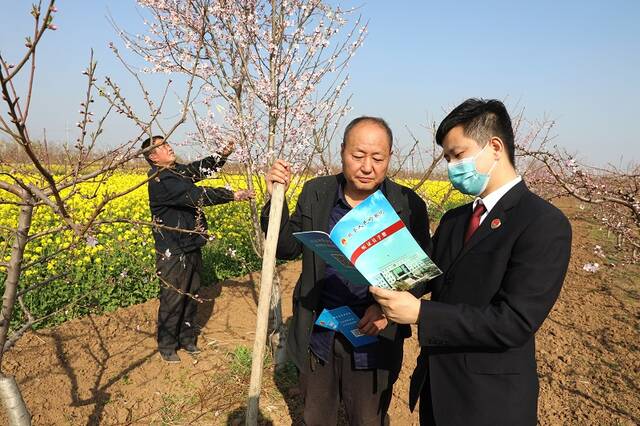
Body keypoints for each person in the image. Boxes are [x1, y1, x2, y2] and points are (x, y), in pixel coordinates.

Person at [369, 99, 572, 426]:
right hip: (437, 390)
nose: (451, 167)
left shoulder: (542, 223)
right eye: (447, 158)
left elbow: (514, 322)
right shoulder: (454, 219)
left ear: (494, 147)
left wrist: (421, 313)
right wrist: (375, 267)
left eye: (458, 155)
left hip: (490, 401)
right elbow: (428, 276)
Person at [262, 117, 432, 425]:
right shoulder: (318, 193)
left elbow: (420, 275)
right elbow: (285, 248)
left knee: (367, 418)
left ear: (389, 157)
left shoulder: (407, 205)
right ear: (342, 152)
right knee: (316, 416)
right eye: (358, 156)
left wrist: (385, 309)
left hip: (372, 333)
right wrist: (276, 199)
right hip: (321, 329)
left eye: (378, 158)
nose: (367, 166)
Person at [142, 135, 254, 363]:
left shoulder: (176, 172)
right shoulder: (160, 180)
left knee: (192, 293)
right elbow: (196, 196)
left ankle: (187, 338)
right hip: (172, 249)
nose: (169, 146)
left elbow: (198, 170)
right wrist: (231, 195)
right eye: (162, 146)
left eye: (167, 142)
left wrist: (221, 156)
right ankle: (167, 345)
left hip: (190, 244)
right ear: (153, 157)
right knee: (173, 296)